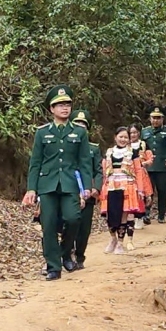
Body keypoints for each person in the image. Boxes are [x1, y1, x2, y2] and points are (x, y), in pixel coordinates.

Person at [21, 85, 90, 280]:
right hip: (48, 184)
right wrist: (32, 189)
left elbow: (84, 162)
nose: (64, 108)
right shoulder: (42, 133)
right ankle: (53, 267)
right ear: (51, 109)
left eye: (67, 104)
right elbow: (35, 162)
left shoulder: (79, 132)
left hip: (69, 184)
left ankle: (65, 252)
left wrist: (85, 187)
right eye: (59, 105)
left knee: (73, 218)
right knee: (48, 224)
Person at [99, 126, 153, 254]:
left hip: (127, 186)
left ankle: (120, 243)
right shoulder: (108, 152)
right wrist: (101, 187)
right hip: (111, 185)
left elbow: (139, 171)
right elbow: (103, 171)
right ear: (115, 137)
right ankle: (113, 238)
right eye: (121, 137)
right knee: (109, 214)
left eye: (126, 137)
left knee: (124, 214)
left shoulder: (132, 153)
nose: (123, 139)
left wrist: (141, 189)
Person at [70, 108, 102, 270]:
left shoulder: (93, 148)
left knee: (84, 227)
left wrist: (96, 187)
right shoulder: (67, 145)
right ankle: (67, 253)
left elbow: (98, 170)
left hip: (87, 193)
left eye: (84, 125)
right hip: (69, 192)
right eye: (77, 124)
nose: (80, 127)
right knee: (69, 224)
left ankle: (80, 255)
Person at [141, 106, 166, 224]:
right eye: (153, 118)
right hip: (148, 167)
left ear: (162, 119)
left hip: (162, 166)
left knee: (162, 190)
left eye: (158, 118)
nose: (155, 120)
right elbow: (141, 147)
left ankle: (161, 215)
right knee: (148, 190)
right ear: (150, 119)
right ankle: (146, 213)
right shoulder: (145, 131)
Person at [126, 124, 154, 248]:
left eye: (135, 132)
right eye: (131, 133)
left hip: (141, 172)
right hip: (129, 174)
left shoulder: (144, 144)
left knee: (143, 194)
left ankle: (141, 217)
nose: (133, 135)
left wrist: (143, 164)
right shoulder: (125, 145)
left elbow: (150, 158)